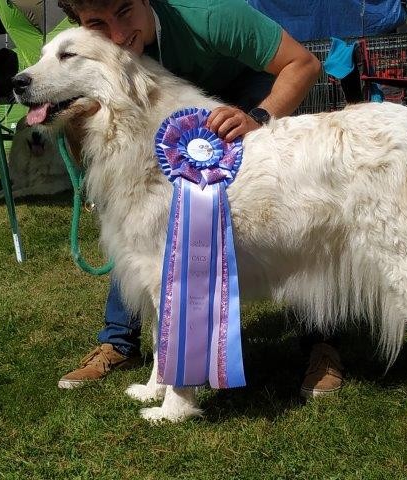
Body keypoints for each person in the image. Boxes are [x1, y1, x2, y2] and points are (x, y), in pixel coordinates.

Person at [56, 0, 344, 398]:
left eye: (125, 12)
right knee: (148, 228)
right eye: (98, 24)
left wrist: (258, 116)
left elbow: (304, 65)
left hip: (249, 93)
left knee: (292, 210)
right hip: (177, 123)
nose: (118, 35)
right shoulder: (100, 55)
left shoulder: (210, 15)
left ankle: (321, 343)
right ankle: (123, 343)